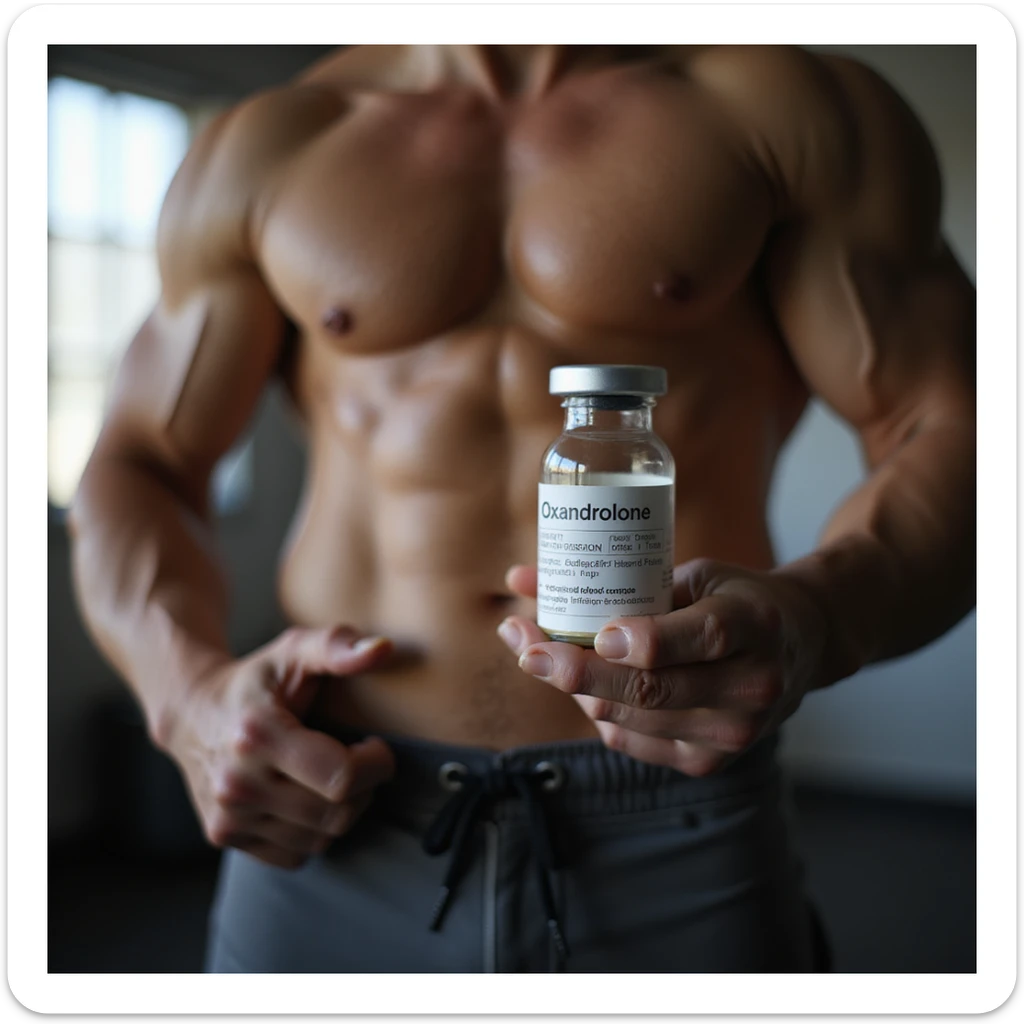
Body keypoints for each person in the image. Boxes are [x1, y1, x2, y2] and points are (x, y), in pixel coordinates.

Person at [68, 45, 975, 973]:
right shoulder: (274, 143)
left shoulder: (783, 110)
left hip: (675, 814)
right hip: (333, 805)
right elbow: (142, 461)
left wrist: (822, 620)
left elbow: (950, 424)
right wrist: (185, 699)